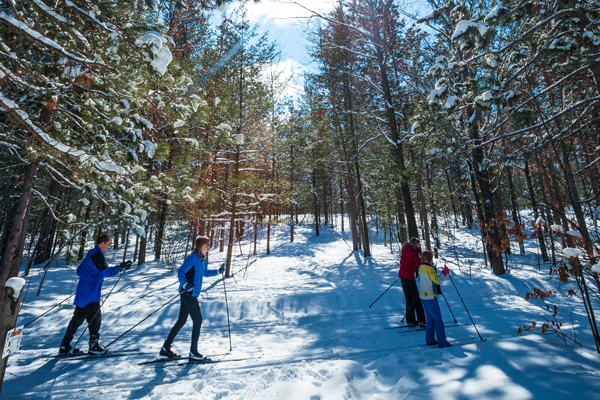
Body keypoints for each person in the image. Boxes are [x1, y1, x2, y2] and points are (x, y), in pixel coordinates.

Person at [59, 233, 132, 355]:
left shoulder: (92, 253)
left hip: (83, 294)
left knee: (76, 320)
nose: (109, 247)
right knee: (95, 321)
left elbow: (79, 270)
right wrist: (121, 267)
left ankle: (64, 345)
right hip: (90, 295)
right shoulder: (97, 255)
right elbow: (106, 272)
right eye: (108, 244)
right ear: (102, 243)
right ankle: (93, 347)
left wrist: (88, 277)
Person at [160, 236, 224, 361]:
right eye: (207, 244)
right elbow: (181, 271)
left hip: (192, 293)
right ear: (201, 245)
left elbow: (204, 272)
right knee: (198, 319)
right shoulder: (193, 257)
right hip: (187, 292)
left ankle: (165, 348)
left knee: (182, 321)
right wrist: (185, 284)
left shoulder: (202, 259)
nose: (209, 246)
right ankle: (193, 352)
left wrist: (217, 271)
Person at [418, 250, 451, 348]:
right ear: (430, 258)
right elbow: (437, 280)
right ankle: (442, 342)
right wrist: (444, 273)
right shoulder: (429, 268)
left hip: (423, 296)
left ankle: (430, 340)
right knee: (438, 320)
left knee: (430, 319)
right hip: (430, 296)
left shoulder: (421, 267)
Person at [398, 237, 426, 327]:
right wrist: (427, 267)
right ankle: (422, 320)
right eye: (419, 244)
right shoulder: (413, 251)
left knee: (409, 298)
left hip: (403, 276)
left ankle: (410, 319)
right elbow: (418, 262)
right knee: (416, 299)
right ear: (416, 244)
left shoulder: (405, 250)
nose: (419, 245)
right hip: (409, 277)